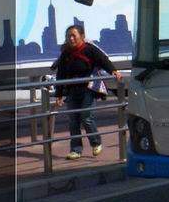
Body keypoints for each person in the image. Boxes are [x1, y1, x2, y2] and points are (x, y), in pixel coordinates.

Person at [52, 25, 122, 159]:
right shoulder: (66, 53)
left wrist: (113, 71)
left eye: (74, 35)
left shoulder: (89, 49)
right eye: (68, 36)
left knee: (86, 117)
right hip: (72, 90)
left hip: (88, 88)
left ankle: (96, 143)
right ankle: (76, 150)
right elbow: (60, 74)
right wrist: (59, 94)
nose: (71, 39)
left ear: (82, 36)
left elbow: (103, 60)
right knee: (73, 120)